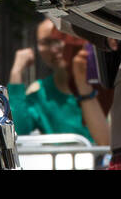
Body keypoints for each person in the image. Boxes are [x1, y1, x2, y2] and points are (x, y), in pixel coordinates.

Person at [7, 18, 109, 147]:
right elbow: (17, 133)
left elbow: (107, 142)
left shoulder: (104, 82)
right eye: (46, 42)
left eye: (61, 39)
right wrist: (16, 73)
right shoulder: (39, 93)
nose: (55, 48)